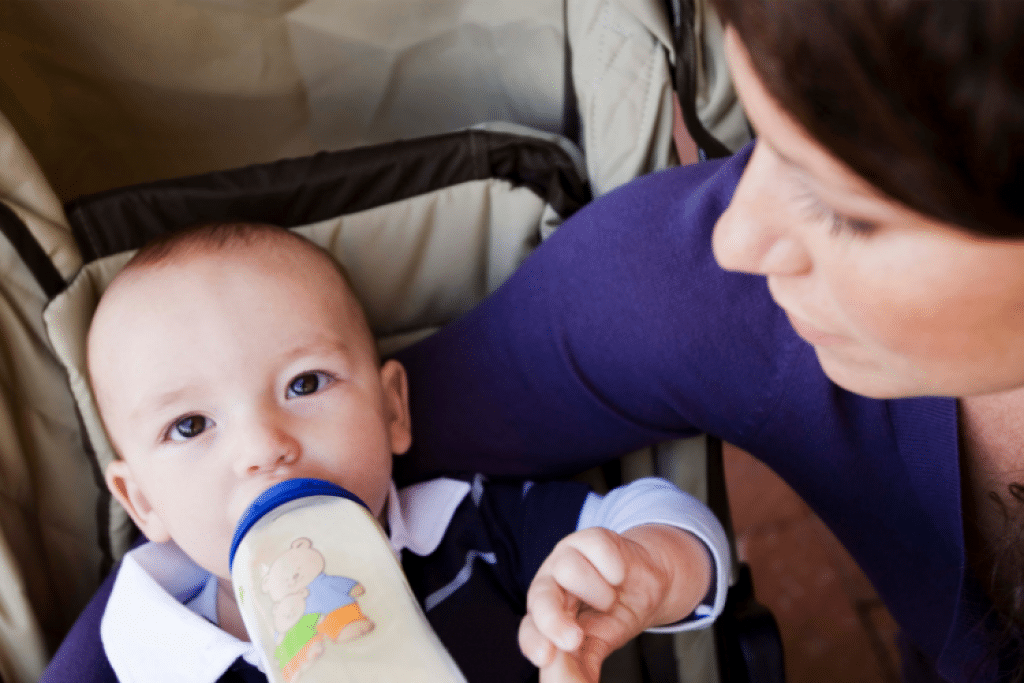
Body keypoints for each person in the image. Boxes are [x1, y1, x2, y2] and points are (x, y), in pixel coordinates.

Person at [389, 3, 1024, 683]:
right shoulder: (717, 297)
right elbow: (345, 435)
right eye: (765, 136)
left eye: (844, 207)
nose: (736, 237)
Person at [49, 222, 728, 683]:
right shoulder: (138, 652)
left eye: (304, 383)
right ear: (141, 501)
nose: (264, 447)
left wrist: (649, 565)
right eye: (191, 425)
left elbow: (652, 515)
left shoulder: (467, 531)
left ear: (392, 408)